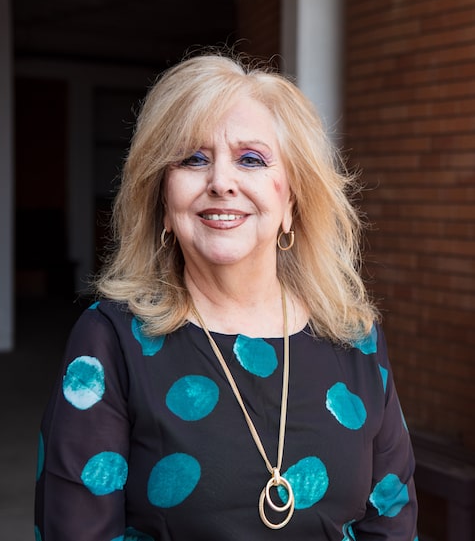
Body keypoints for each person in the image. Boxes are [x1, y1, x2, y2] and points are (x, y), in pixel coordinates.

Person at [34, 52, 418, 540]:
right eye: (194, 159)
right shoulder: (109, 341)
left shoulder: (355, 340)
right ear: (164, 203)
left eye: (251, 159)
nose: (220, 182)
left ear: (290, 202)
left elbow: (392, 522)